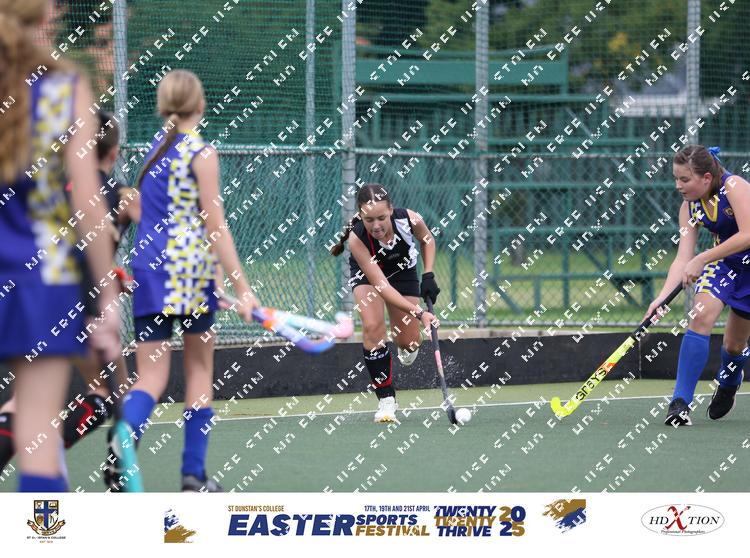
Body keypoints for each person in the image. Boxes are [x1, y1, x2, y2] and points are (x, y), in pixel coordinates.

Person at [109, 69, 258, 492]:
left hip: (149, 270)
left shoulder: (156, 148)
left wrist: (217, 277)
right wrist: (242, 288)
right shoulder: (202, 153)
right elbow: (214, 225)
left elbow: (165, 216)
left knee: (150, 377)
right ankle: (194, 476)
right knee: (198, 370)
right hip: (188, 272)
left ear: (163, 105)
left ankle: (123, 441)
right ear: (201, 104)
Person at [0, 0, 120, 491]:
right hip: (41, 278)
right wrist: (106, 299)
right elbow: (89, 204)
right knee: (38, 437)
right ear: (45, 16)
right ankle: (43, 530)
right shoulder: (63, 87)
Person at [0, 111, 139, 473]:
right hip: (84, 304)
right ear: (114, 152)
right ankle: (83, 457)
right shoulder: (124, 196)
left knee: (22, 401)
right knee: (111, 391)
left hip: (35, 298)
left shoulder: (47, 189)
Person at [645, 145, 750, 426]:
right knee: (700, 315)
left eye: (684, 179)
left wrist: (702, 258)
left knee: (734, 345)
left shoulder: (735, 187)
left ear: (706, 178)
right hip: (725, 263)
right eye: (675, 179)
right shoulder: (689, 206)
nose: (678, 186)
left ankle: (729, 381)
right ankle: (680, 403)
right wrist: (661, 299)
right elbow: (683, 258)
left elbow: (748, 234)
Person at [330, 183, 439, 422]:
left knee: (409, 342)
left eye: (381, 217)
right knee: (372, 327)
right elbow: (382, 287)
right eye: (369, 220)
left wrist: (428, 273)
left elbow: (427, 239)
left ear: (391, 209)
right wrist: (420, 313)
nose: (376, 225)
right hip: (369, 275)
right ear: (360, 216)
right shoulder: (357, 239)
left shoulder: (409, 219)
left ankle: (404, 344)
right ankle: (386, 399)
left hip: (403, 270)